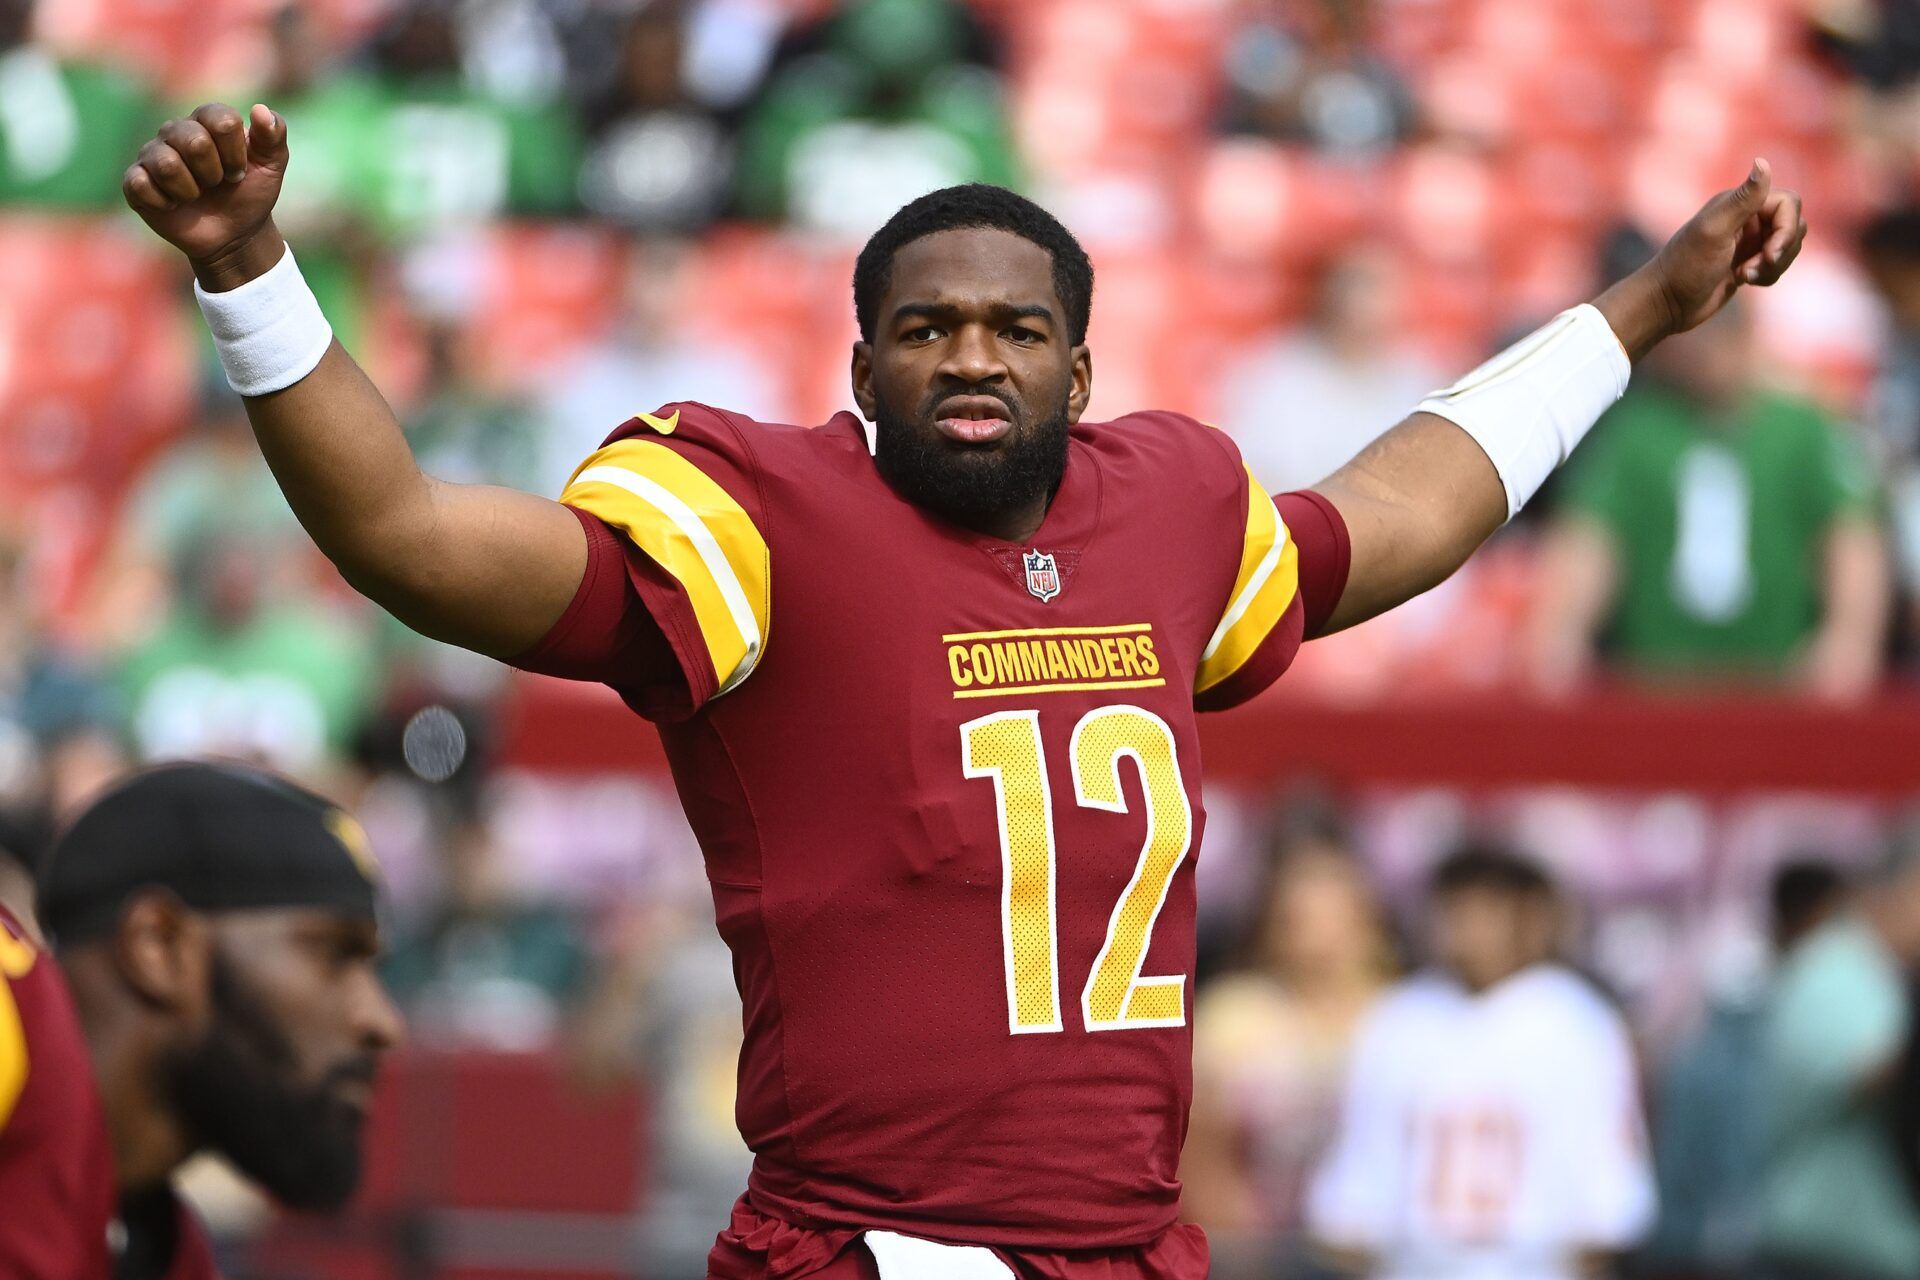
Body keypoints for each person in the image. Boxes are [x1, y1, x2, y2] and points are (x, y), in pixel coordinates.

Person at [118, 97, 1803, 1277]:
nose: (973, 358)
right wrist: (250, 274)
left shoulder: (1173, 509)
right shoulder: (766, 520)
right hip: (860, 1245)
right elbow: (412, 538)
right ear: (861, 367)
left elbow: (1399, 514)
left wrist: (1643, 312)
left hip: (1128, 1248)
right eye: (927, 331)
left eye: (1013, 329)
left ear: (1084, 362)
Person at [0, 760, 402, 1278]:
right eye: (333, 955)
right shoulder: (14, 1004)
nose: (383, 1021)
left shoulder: (162, 1248)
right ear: (159, 945)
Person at [1307, 846, 1656, 1279]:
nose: (1467, 929)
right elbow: (1353, 1204)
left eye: (1487, 911)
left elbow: (1605, 1210)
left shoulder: (1577, 1024)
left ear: (1531, 918)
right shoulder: (1398, 1020)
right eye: (1455, 909)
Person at [1526, 302, 1889, 699]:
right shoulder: (1636, 432)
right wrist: (1562, 629)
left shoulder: (1804, 428)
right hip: (1656, 685)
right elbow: (1590, 539)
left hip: (1783, 685)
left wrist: (1849, 637)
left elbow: (1851, 534)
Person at [1182, 825, 1395, 1277]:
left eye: (1329, 915)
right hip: (1262, 1246)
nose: (1314, 934)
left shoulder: (1403, 1015)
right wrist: (1237, 1243)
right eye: (1296, 917)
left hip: (1376, 1249)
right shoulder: (1235, 1013)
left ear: (1366, 920)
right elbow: (1197, 1144)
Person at [1755, 829, 1920, 1280]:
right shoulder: (1834, 967)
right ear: (1901, 887)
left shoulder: (1883, 974)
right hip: (1828, 1253)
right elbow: (1871, 1073)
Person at [1214, 245, 1443, 494]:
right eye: (1358, 286)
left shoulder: (1419, 377)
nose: (1368, 305)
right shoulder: (1270, 373)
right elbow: (1256, 472)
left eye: (1381, 290)